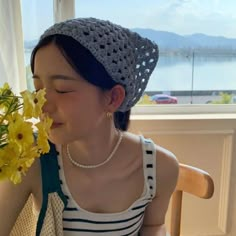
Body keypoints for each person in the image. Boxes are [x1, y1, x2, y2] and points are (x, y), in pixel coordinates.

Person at [0, 18, 179, 236]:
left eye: (62, 89)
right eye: (37, 88)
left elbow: (154, 225)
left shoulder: (159, 167)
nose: (42, 105)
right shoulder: (32, 159)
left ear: (113, 98)